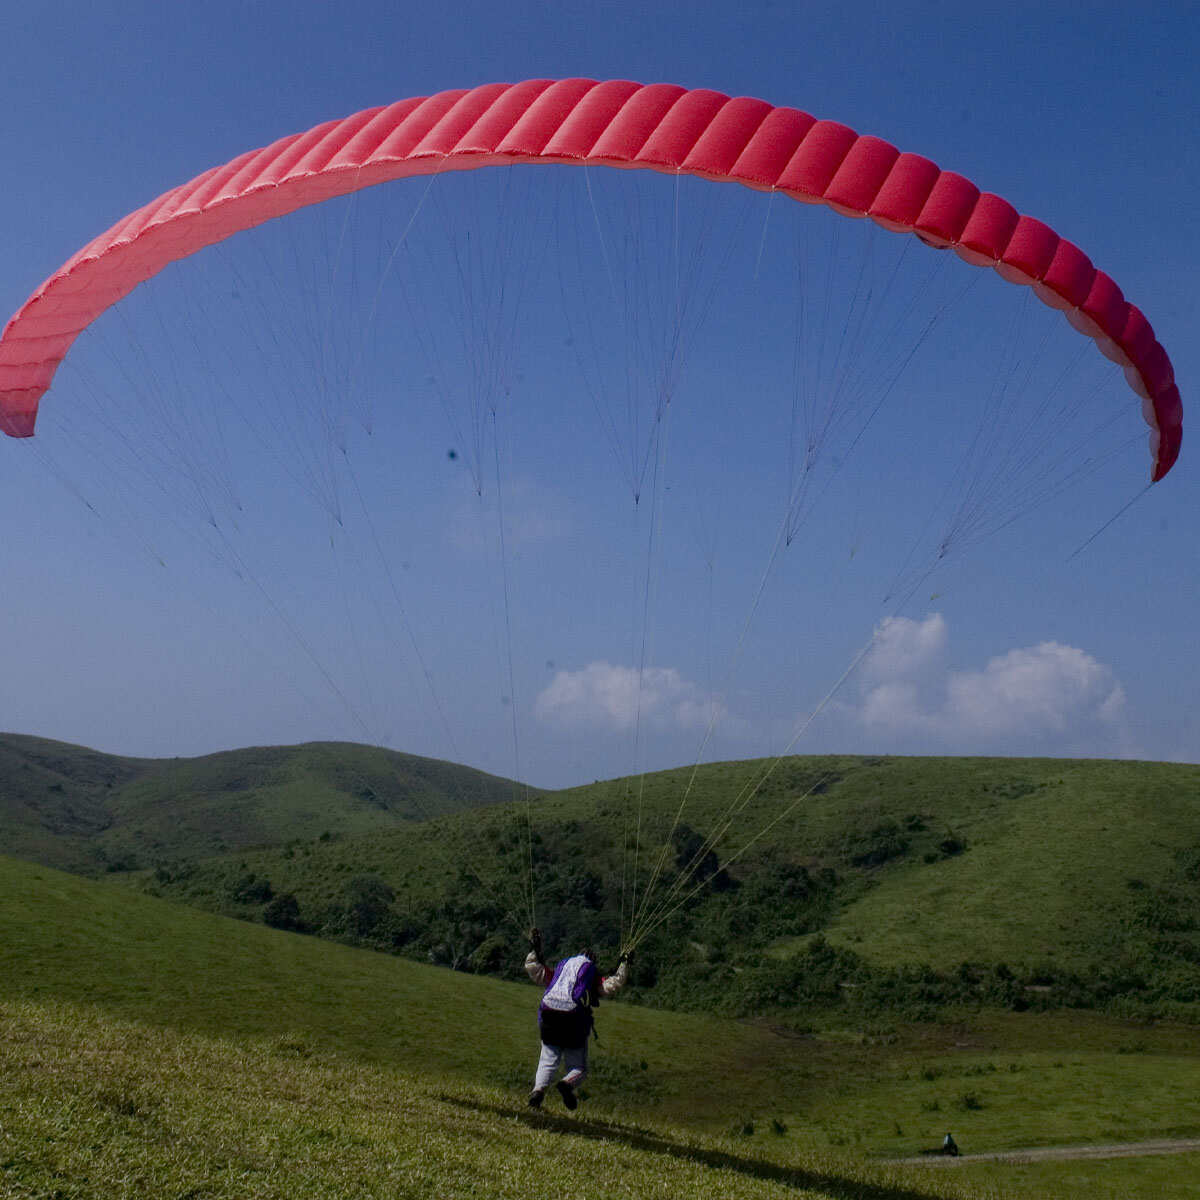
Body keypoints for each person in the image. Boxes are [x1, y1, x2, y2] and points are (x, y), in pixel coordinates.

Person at [524, 928, 629, 1110]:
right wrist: (624, 964)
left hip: (548, 1013)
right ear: (593, 961)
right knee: (578, 1068)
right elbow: (612, 984)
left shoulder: (560, 969)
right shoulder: (591, 974)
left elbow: (536, 970)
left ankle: (538, 1091)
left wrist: (534, 950)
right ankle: (567, 1084)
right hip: (573, 1019)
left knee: (548, 1058)